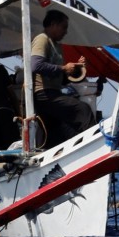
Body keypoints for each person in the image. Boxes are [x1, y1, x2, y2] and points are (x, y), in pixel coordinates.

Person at [31, 10, 92, 148]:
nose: (65, 32)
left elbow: (63, 79)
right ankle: (91, 145)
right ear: (53, 24)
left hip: (53, 92)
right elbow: (35, 65)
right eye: (64, 27)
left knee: (62, 131)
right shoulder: (42, 39)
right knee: (83, 109)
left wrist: (77, 68)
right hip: (43, 94)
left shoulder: (57, 46)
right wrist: (64, 68)